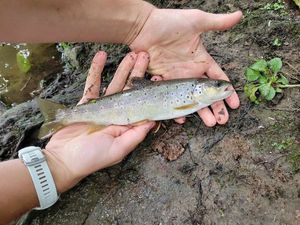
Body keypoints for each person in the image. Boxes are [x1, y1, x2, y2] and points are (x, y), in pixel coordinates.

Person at [0, 0, 243, 223]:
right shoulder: (191, 98)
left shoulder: (192, 96)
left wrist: (56, 166)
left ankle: (63, 118)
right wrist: (55, 167)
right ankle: (63, 117)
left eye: (218, 87)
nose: (222, 87)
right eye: (217, 86)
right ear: (200, 90)